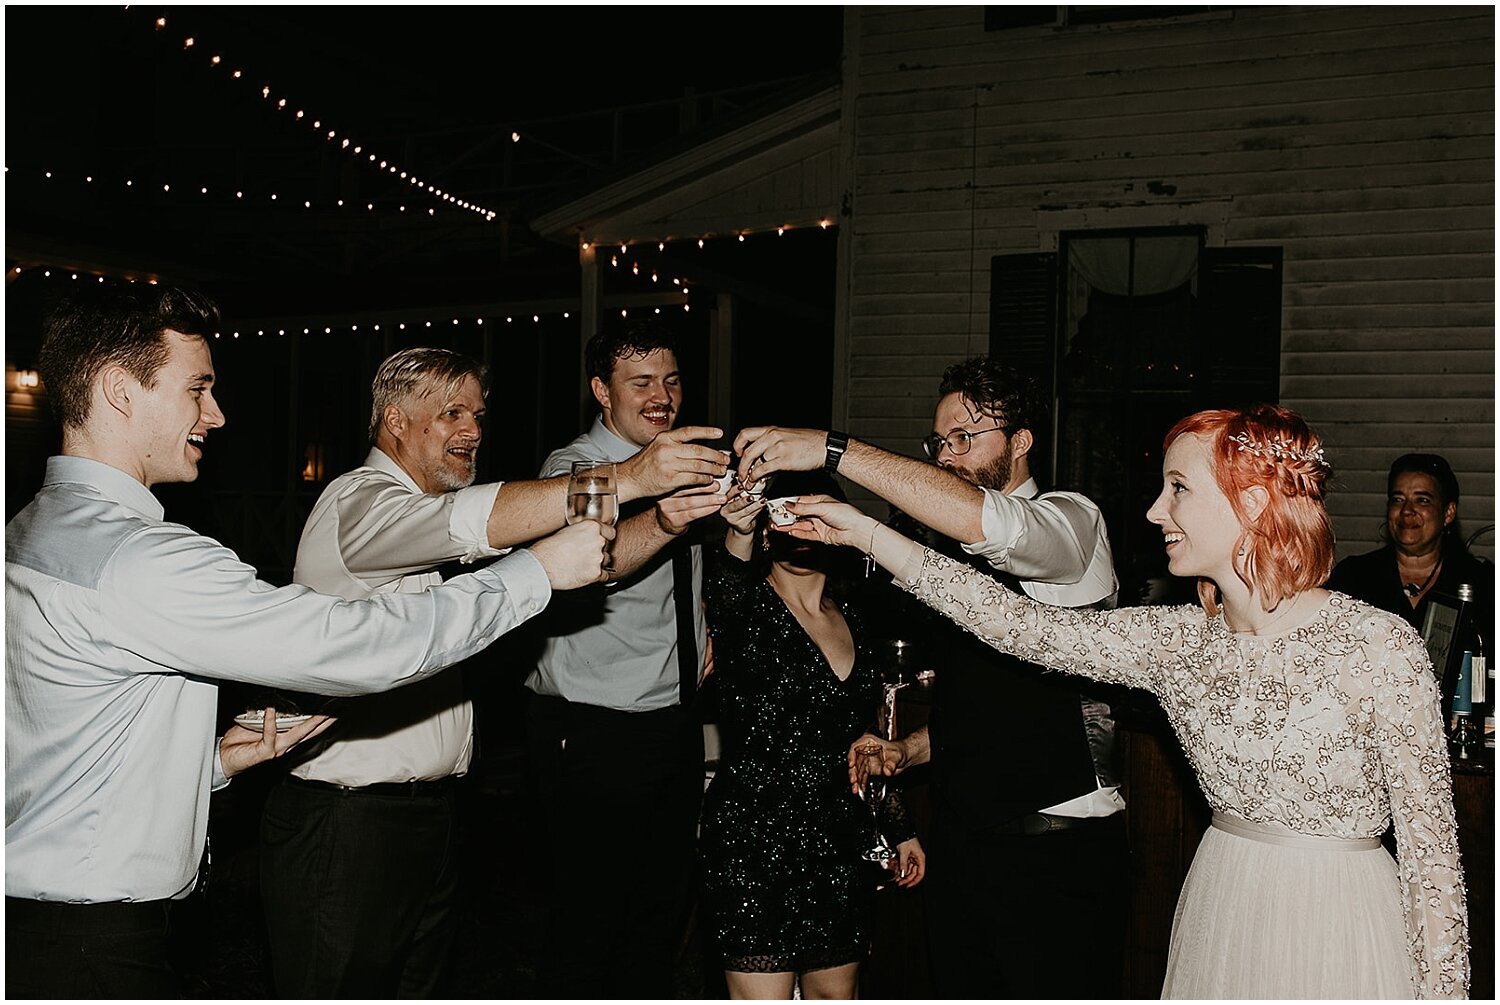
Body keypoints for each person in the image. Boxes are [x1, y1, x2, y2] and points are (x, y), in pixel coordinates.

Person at [4, 282, 610, 999]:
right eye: (197, 388)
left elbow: (53, 748)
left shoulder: (32, 528)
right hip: (92, 945)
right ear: (119, 391)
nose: (217, 413)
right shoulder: (140, 558)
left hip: (41, 925)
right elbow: (355, 647)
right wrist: (535, 573)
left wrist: (213, 763)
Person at [792, 403, 1469, 999]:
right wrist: (864, 532)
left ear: (1254, 503)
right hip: (1225, 905)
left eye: (1178, 488)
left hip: (1343, 923)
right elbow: (1014, 622)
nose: (1154, 511)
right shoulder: (1177, 640)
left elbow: (1435, 863)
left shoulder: (1378, 643)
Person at [258, 346, 727, 997]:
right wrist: (628, 478)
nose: (473, 430)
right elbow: (469, 521)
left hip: (427, 821)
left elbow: (598, 557)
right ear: (395, 419)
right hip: (349, 827)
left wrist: (668, 517)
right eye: (451, 413)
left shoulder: (412, 523)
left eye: (478, 414)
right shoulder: (358, 503)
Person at [733, 357, 1126, 998]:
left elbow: (990, 522)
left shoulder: (1071, 525)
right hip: (966, 848)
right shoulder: (939, 559)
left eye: (966, 437)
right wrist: (907, 749)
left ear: (1022, 442)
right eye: (940, 440)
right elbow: (987, 705)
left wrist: (834, 451)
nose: (948, 453)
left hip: (1056, 848)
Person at [524, 318, 731, 998]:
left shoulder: (682, 459)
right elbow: (596, 560)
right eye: (640, 382)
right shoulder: (573, 467)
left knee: (658, 917)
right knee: (590, 923)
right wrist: (667, 514)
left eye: (671, 380)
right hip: (591, 728)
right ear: (600, 390)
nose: (661, 395)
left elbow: (693, 570)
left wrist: (707, 621)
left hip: (670, 722)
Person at [701, 469, 925, 1000]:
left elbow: (862, 742)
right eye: (784, 515)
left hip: (837, 841)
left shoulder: (856, 619)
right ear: (765, 528)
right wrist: (736, 529)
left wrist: (899, 826)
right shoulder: (745, 608)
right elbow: (725, 581)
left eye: (812, 515)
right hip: (753, 840)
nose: (798, 528)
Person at [1327, 452, 1493, 635]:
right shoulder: (1353, 577)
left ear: (1448, 513)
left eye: (1422, 500)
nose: (1407, 510)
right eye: (1398, 499)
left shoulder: (1481, 582)